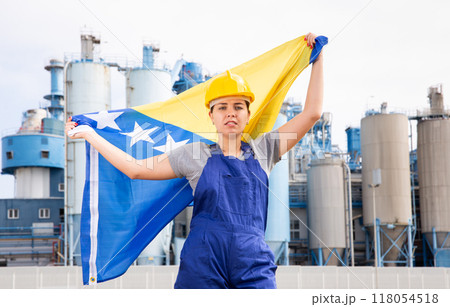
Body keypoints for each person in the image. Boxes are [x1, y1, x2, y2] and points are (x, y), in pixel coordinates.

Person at [65, 32, 323, 289]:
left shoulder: (264, 150)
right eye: (222, 107)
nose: (230, 113)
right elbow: (135, 169)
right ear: (211, 115)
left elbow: (312, 114)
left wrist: (317, 57)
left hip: (253, 261)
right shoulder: (193, 155)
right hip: (204, 261)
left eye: (238, 106)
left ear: (248, 114)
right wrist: (90, 135)